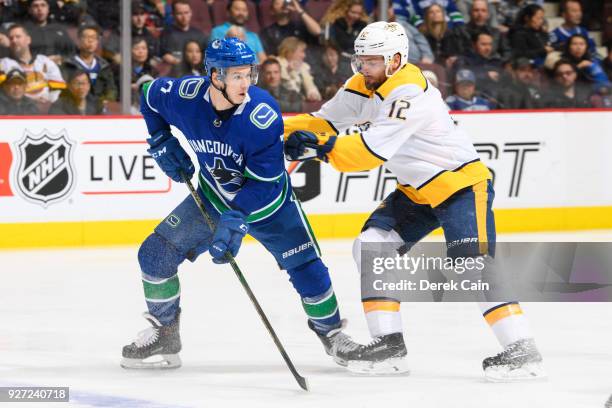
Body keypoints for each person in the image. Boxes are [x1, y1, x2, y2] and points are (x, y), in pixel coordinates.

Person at [283, 22, 545, 380]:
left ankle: (522, 349)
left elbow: (369, 152)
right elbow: (324, 120)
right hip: (415, 191)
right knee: (371, 246)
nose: (363, 68)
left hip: (461, 186)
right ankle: (389, 346)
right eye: (359, 60)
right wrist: (275, 130)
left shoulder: (410, 92)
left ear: (395, 60)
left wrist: (321, 149)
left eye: (371, 61)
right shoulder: (361, 84)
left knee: (473, 267)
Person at [121, 37, 354, 369]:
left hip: (272, 206)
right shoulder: (185, 97)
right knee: (154, 254)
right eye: (237, 76)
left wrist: (237, 219)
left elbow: (266, 181)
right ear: (215, 76)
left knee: (308, 271)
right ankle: (166, 333)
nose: (246, 83)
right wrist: (161, 141)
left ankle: (332, 336)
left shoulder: (261, 113)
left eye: (249, 74)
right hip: (214, 199)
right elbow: (149, 97)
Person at [0, 24, 66, 103]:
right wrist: (30, 102)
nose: (14, 40)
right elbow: (3, 93)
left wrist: (49, 101)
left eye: (18, 37)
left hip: (49, 109)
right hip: (19, 110)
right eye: (11, 38)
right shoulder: (3, 65)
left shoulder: (45, 61)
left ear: (28, 40)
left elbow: (59, 87)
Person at [61, 24, 117, 109]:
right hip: (74, 108)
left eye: (94, 38)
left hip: (99, 110)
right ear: (79, 41)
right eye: (86, 37)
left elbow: (111, 89)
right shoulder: (69, 64)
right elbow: (64, 90)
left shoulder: (104, 66)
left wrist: (105, 101)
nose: (90, 40)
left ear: (97, 42)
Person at [23, 0, 76, 65]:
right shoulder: (24, 31)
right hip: (34, 69)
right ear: (30, 10)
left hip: (60, 68)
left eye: (43, 5)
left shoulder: (59, 29)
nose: (40, 9)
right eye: (35, 6)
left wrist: (61, 58)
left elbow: (72, 52)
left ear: (48, 9)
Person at [159, 0, 208, 66]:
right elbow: (164, 55)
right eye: (179, 13)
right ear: (173, 14)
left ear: (191, 13)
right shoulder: (167, 34)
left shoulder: (199, 34)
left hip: (198, 72)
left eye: (186, 13)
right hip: (176, 72)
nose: (184, 17)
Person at [277, 36, 321, 102]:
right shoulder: (276, 63)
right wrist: (289, 71)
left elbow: (311, 86)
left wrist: (313, 94)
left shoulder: (303, 66)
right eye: (301, 51)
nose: (304, 55)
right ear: (290, 51)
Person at [393, 0, 465, 28]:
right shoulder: (416, 1)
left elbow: (454, 12)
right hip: (427, 26)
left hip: (447, 26)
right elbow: (414, 14)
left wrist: (460, 26)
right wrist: (420, 25)